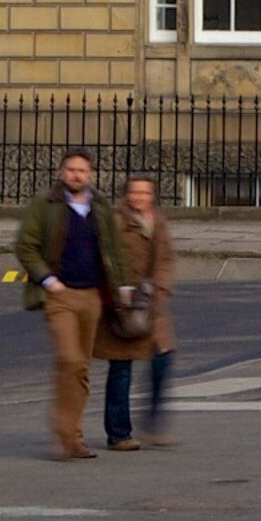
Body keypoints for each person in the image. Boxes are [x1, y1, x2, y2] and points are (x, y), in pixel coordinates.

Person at [13, 148, 133, 460]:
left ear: (90, 174)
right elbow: (25, 246)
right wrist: (48, 280)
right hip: (60, 295)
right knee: (69, 359)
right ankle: (64, 430)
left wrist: (123, 285)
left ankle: (73, 438)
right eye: (71, 170)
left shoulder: (100, 205)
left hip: (93, 295)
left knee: (81, 367)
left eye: (81, 171)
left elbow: (114, 249)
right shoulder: (46, 204)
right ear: (62, 172)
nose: (76, 175)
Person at [98, 172, 177, 450]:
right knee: (121, 368)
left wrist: (161, 288)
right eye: (135, 192)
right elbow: (107, 258)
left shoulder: (158, 219)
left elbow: (166, 258)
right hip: (124, 306)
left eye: (145, 192)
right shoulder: (116, 221)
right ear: (126, 194)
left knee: (163, 359)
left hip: (151, 304)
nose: (140, 197)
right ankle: (119, 434)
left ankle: (152, 421)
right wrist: (121, 290)